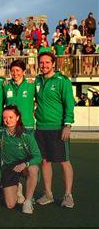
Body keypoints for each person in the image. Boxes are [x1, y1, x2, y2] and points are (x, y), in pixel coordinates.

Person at [34, 52, 75, 208]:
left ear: (53, 64)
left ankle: (68, 195)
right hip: (40, 128)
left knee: (64, 162)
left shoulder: (62, 81)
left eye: (47, 62)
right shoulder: (37, 80)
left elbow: (69, 104)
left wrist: (67, 125)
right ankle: (48, 194)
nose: (44, 65)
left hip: (58, 128)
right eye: (41, 63)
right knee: (45, 161)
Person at [0, 106, 41, 214]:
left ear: (17, 117)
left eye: (11, 117)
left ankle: (28, 201)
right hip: (9, 167)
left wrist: (26, 164)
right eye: (5, 117)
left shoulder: (27, 134)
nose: (8, 120)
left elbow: (38, 156)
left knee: (33, 169)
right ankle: (17, 186)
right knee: (10, 205)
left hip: (24, 166)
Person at [3, 59, 36, 130]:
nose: (15, 73)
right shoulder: (5, 85)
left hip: (27, 124)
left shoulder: (31, 85)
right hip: (11, 125)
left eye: (18, 70)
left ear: (23, 71)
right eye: (12, 71)